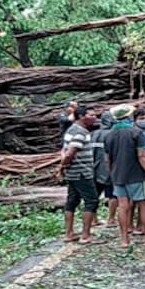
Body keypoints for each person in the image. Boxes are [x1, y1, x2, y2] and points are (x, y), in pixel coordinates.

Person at [104, 104, 145, 248]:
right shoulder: (135, 133)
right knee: (144, 205)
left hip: (118, 176)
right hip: (136, 175)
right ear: (129, 116)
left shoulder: (108, 135)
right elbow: (142, 156)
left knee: (122, 206)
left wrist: (112, 174)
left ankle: (124, 240)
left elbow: (107, 159)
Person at [57, 105, 102, 244]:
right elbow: (70, 152)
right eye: (91, 115)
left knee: (72, 201)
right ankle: (85, 235)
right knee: (92, 201)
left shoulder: (71, 129)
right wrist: (63, 165)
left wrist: (64, 167)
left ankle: (69, 233)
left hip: (73, 172)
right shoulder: (80, 132)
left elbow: (63, 150)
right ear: (81, 116)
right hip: (82, 172)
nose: (94, 117)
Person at [90, 110, 119, 227]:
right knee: (112, 194)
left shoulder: (93, 134)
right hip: (109, 168)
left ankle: (93, 219)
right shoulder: (113, 134)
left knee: (93, 195)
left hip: (93, 168)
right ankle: (111, 219)